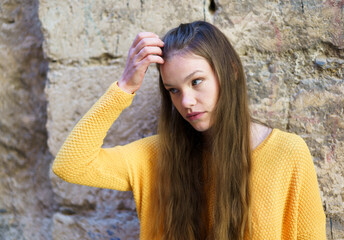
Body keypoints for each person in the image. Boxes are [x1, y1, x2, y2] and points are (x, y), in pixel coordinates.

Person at [52, 21, 326, 239]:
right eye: (173, 90)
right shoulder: (156, 156)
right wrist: (125, 87)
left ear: (230, 72)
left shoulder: (288, 153)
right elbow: (72, 165)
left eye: (196, 82)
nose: (186, 102)